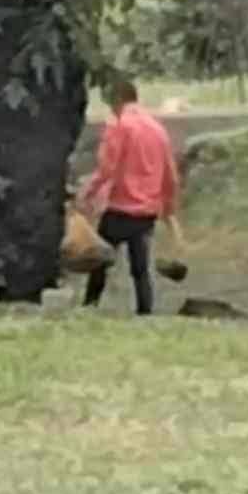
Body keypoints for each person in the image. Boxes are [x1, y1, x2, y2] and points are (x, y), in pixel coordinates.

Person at [76, 78, 185, 316]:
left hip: (120, 206)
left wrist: (87, 192)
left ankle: (89, 305)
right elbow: (170, 173)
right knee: (141, 267)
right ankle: (145, 310)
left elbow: (107, 168)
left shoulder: (119, 126)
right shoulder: (157, 129)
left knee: (100, 261)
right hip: (147, 210)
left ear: (117, 99)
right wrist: (168, 208)